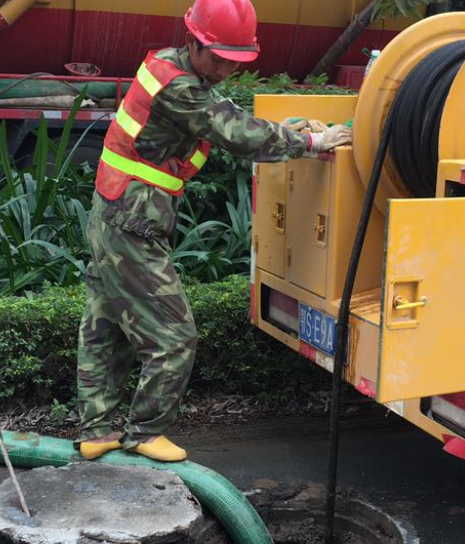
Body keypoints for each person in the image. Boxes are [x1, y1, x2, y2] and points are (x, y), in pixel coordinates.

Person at [75, 0, 352, 462]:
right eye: (220, 58)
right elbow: (230, 130)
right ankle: (145, 431)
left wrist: (279, 130)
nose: (227, 69)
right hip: (131, 218)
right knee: (174, 335)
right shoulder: (181, 87)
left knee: (105, 322)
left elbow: (218, 118)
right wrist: (310, 142)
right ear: (194, 44)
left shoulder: (174, 70)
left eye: (236, 61)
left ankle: (97, 431)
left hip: (114, 209)